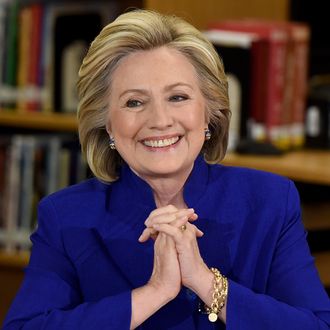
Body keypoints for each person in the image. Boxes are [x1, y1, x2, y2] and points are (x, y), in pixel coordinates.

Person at [3, 9, 330, 330]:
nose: (159, 120)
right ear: (107, 124)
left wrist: (204, 281)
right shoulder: (66, 217)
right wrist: (154, 293)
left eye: (177, 97)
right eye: (134, 102)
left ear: (209, 113)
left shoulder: (271, 201)